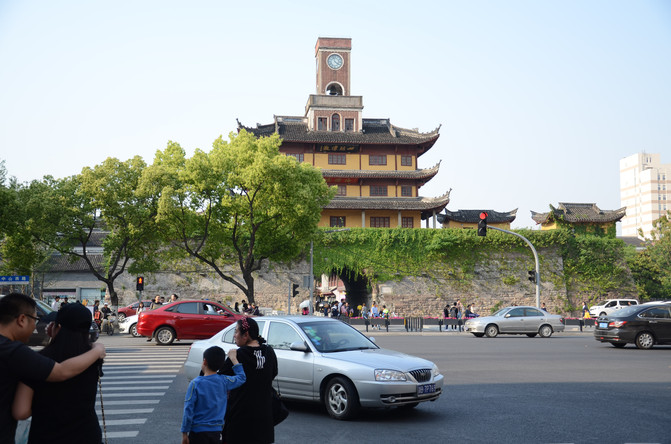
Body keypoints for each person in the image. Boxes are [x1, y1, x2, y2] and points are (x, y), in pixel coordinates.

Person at [0, 293, 106, 443]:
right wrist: (97, 350)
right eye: (35, 320)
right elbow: (61, 371)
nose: (35, 326)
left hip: (46, 436)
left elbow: (21, 411)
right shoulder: (91, 359)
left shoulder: (36, 360)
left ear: (57, 327)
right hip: (87, 436)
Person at [220, 317, 278, 444]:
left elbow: (221, 380)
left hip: (240, 417)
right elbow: (273, 373)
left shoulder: (237, 355)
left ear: (245, 334)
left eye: (236, 331)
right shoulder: (269, 352)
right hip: (264, 418)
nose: (234, 335)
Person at [181, 346, 246, 444]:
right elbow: (241, 378)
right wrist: (234, 359)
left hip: (197, 432)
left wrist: (184, 433)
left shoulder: (195, 384)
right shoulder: (224, 381)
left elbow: (188, 409)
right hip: (216, 432)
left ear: (204, 361)